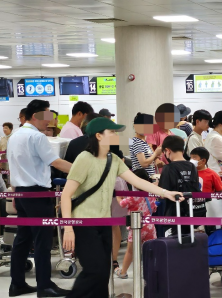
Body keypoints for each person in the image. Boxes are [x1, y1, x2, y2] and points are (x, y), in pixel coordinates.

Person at [59, 118, 182, 297]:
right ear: (99, 136)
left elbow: (138, 181)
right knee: (93, 270)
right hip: (84, 223)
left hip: (104, 222)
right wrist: (69, 228)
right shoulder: (84, 158)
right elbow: (66, 195)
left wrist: (165, 192)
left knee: (103, 271)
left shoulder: (113, 159)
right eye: (112, 132)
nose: (116, 136)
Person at [7, 99, 73, 297]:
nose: (50, 120)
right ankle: (45, 285)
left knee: (23, 240)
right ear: (35, 116)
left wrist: (15, 194)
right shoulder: (37, 137)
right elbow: (56, 163)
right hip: (37, 193)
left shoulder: (15, 136)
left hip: (21, 192)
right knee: (43, 240)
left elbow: (13, 167)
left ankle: (17, 284)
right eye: (47, 116)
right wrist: (85, 171)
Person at [114, 169, 159, 279]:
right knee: (151, 250)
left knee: (130, 251)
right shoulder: (151, 193)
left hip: (136, 227)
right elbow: (154, 208)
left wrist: (119, 197)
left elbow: (122, 204)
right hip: (150, 226)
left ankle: (123, 272)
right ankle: (153, 272)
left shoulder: (133, 196)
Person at [157, 135, 203, 236]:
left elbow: (163, 192)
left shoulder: (168, 168)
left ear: (167, 151)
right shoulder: (192, 166)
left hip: (174, 212)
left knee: (174, 242)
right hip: (192, 211)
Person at [130, 113, 163, 178]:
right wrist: (156, 153)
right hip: (143, 180)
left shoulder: (143, 141)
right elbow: (144, 163)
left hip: (148, 178)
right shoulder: (137, 142)